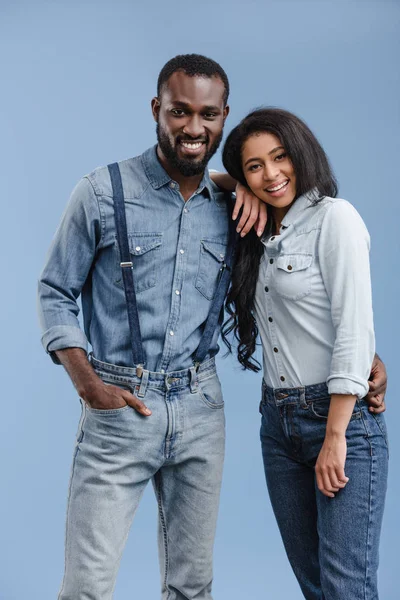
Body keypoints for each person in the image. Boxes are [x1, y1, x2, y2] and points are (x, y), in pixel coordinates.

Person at [37, 53, 267, 600]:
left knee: (192, 586)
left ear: (224, 116)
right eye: (179, 112)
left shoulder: (235, 203)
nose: (193, 128)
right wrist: (89, 384)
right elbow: (54, 291)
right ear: (156, 110)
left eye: (208, 116)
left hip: (201, 409)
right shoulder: (100, 192)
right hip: (119, 406)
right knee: (86, 589)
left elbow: (304, 273)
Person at [221, 108, 389, 599]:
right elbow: (202, 177)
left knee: (345, 589)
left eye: (279, 157)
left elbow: (355, 331)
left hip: (338, 424)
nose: (271, 174)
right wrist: (238, 187)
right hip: (277, 425)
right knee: (314, 586)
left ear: (301, 153)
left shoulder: (335, 218)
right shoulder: (255, 229)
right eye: (254, 166)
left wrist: (335, 436)